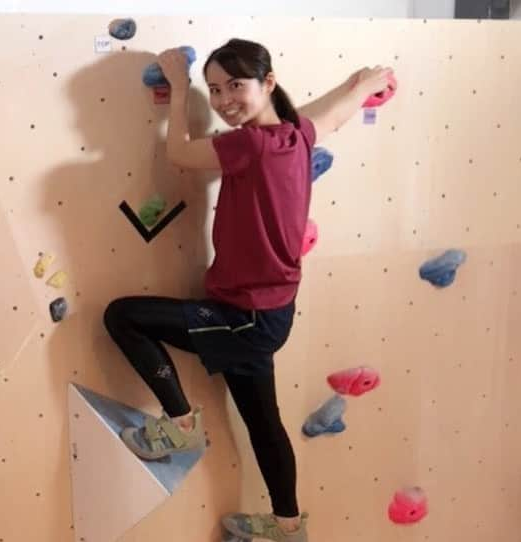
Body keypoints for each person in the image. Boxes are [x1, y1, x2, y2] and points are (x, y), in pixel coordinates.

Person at [103, 38, 393, 542]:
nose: (222, 100)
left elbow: (179, 154)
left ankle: (180, 424)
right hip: (268, 314)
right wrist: (361, 85)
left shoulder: (249, 144)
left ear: (268, 84)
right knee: (264, 424)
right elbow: (331, 114)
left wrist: (178, 87)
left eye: (234, 86)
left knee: (123, 316)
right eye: (213, 89)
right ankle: (287, 528)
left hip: (245, 314)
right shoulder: (295, 136)